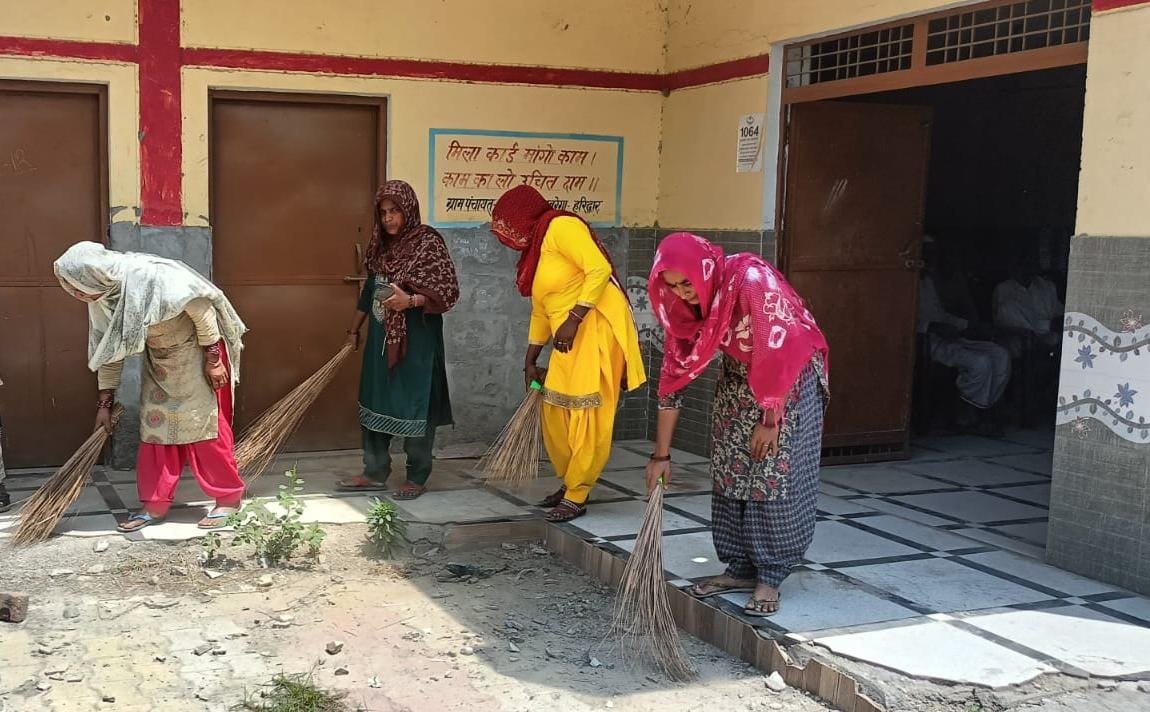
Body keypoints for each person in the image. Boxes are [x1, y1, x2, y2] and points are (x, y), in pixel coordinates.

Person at [645, 233, 829, 617]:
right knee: (731, 464)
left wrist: (771, 418)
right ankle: (740, 568)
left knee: (770, 471)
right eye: (672, 286)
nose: (682, 293)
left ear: (703, 270)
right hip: (741, 371)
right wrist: (661, 456)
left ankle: (770, 575)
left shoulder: (750, 282)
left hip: (789, 376)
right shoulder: (682, 308)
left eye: (687, 283)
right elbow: (672, 380)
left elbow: (778, 348)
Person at [53, 242, 248, 532]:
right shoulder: (104, 298)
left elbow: (202, 309)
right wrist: (105, 403)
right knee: (155, 429)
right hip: (160, 362)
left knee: (204, 428)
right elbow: (109, 352)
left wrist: (213, 359)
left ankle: (228, 499)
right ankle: (155, 504)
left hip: (199, 353)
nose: (78, 295)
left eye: (79, 288)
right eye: (72, 289)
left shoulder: (153, 275)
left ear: (95, 275)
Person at [490, 185, 645, 522]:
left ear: (523, 216)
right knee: (555, 409)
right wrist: (530, 359)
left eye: (507, 225)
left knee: (587, 412)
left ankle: (578, 493)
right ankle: (571, 480)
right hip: (568, 335)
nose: (506, 235)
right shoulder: (536, 251)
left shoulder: (562, 227)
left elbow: (599, 269)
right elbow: (542, 309)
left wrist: (574, 319)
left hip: (597, 327)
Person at [338, 180, 459, 500]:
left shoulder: (427, 244)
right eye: (383, 213)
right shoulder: (380, 247)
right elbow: (370, 292)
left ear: (409, 210)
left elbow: (447, 291)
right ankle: (374, 471)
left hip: (417, 343)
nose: (389, 218)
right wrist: (353, 331)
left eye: (395, 211)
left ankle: (417, 476)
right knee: (375, 397)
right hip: (380, 341)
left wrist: (412, 301)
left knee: (415, 403)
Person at [918, 242, 1011, 435]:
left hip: (949, 336)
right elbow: (899, 320)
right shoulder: (903, 282)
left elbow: (939, 314)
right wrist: (931, 327)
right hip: (925, 341)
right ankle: (968, 415)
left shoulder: (928, 281)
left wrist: (966, 325)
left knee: (1000, 354)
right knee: (980, 362)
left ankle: (982, 409)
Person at [993, 251, 1064, 353]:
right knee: (1007, 308)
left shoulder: (1047, 286)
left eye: (1030, 265)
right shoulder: (1003, 289)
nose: (1026, 269)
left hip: (1050, 334)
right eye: (1022, 265)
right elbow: (1004, 319)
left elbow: (1058, 310)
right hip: (1022, 336)